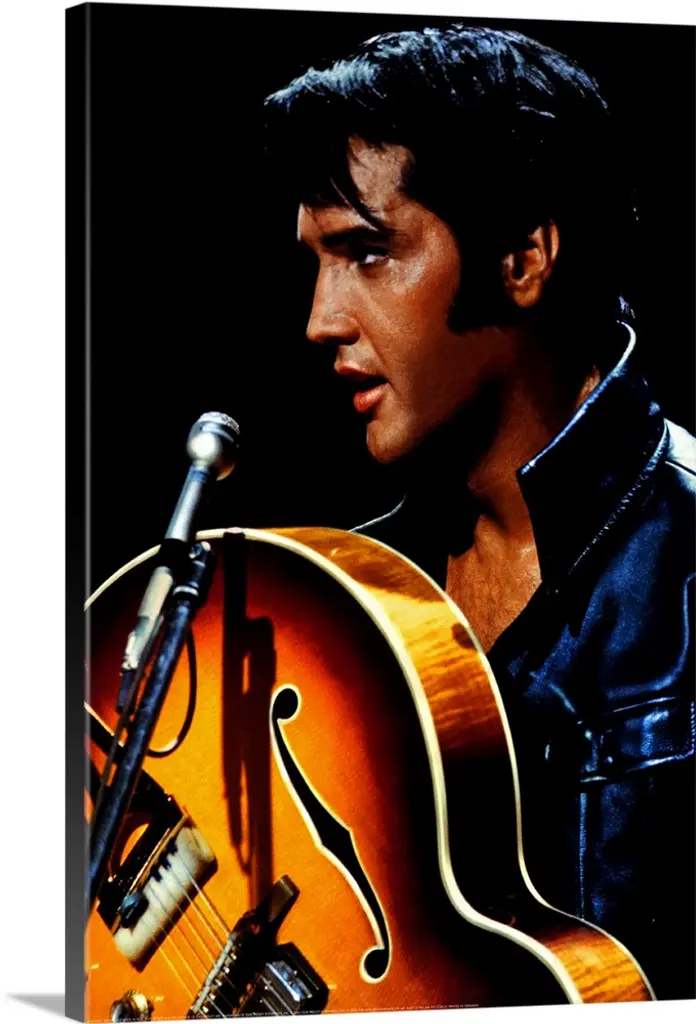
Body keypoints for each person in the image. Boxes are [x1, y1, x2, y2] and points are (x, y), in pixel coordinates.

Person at [264, 25, 695, 1000]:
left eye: (368, 253)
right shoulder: (350, 603)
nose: (321, 320)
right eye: (318, 262)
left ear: (523, 258)